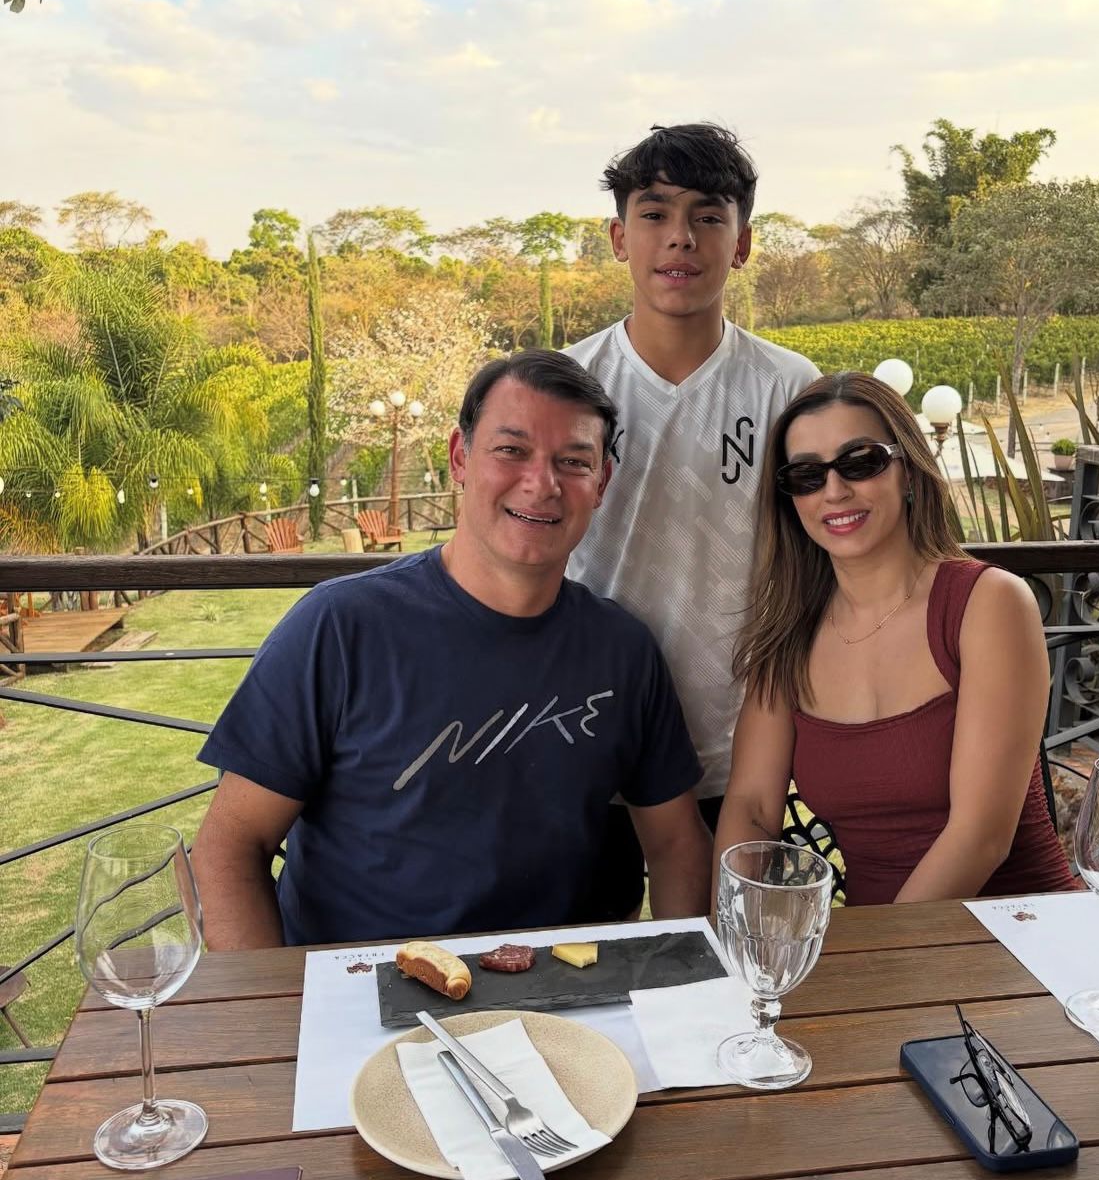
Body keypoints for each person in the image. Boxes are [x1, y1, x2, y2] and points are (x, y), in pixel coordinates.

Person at [190, 350, 713, 948]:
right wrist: (275, 1003)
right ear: (460, 457)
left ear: (601, 484)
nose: (542, 484)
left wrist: (683, 982)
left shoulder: (623, 650)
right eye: (511, 450)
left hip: (562, 983)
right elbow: (229, 848)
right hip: (363, 982)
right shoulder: (340, 627)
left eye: (573, 462)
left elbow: (676, 844)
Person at [565, 122, 819, 917]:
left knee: (716, 967)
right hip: (583, 736)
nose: (681, 237)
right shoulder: (569, 385)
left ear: (741, 243)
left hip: (739, 747)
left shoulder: (788, 388)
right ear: (619, 237)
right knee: (579, 962)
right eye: (655, 214)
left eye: (708, 215)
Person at [716, 372, 1078, 903]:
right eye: (807, 475)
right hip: (875, 941)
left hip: (1018, 929)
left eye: (861, 462)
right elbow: (751, 806)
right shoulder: (789, 633)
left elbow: (981, 838)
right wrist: (737, 928)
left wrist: (879, 950)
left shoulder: (988, 603)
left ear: (908, 471)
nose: (834, 491)